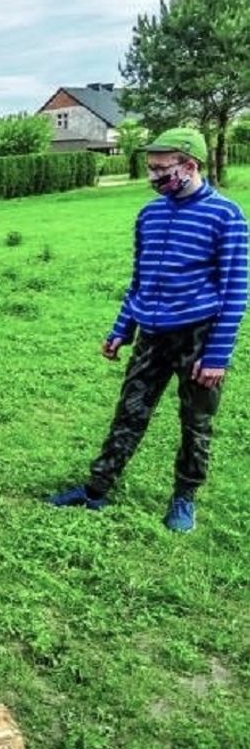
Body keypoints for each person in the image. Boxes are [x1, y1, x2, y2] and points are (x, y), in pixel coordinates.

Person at [48, 127, 247, 533]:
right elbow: (140, 280)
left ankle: (184, 497)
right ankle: (96, 489)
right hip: (151, 335)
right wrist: (122, 329)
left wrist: (216, 356)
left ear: (190, 167)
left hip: (198, 336)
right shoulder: (149, 215)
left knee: (196, 422)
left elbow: (235, 290)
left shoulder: (226, 216)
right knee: (129, 412)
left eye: (161, 169)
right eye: (150, 169)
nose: (153, 177)